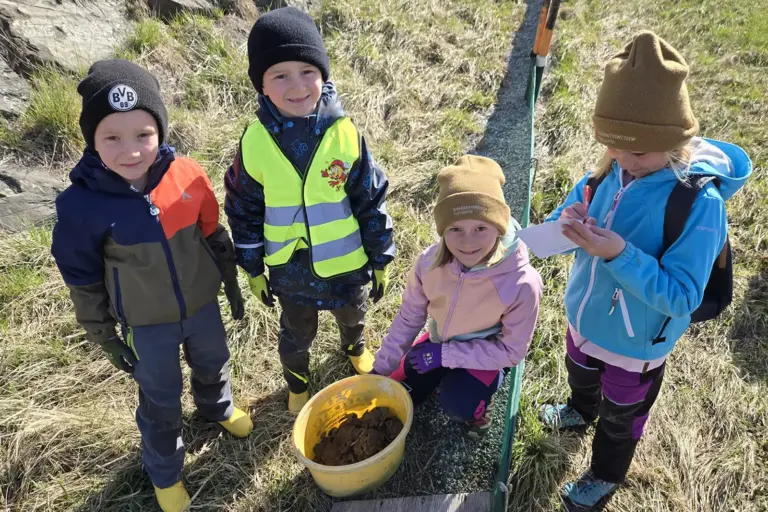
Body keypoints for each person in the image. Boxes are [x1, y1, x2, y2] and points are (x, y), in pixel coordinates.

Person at [540, 31, 752, 511]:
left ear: (675, 142)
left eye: (638, 151)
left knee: (623, 415)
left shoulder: (698, 205)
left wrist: (620, 255)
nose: (626, 161)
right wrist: (563, 224)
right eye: (615, 146)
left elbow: (681, 297)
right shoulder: (604, 173)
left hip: (638, 344)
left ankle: (606, 473)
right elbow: (563, 219)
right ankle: (577, 409)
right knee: (580, 369)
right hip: (584, 317)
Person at [51, 59, 253, 512]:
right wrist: (103, 335)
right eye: (112, 138)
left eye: (143, 134)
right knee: (160, 399)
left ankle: (216, 406)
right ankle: (165, 471)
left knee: (213, 358)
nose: (131, 151)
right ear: (91, 141)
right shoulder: (80, 206)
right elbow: (81, 279)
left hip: (201, 305)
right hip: (146, 325)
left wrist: (231, 285)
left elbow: (213, 235)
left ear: (160, 129)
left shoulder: (187, 173)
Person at [224, 7, 396, 413]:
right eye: (279, 75)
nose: (297, 86)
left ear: (323, 74)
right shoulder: (254, 143)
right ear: (261, 85)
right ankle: (297, 384)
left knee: (353, 313)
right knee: (296, 332)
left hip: (346, 261)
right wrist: (252, 268)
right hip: (290, 267)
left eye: (307, 71)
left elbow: (370, 197)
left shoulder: (345, 133)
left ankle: (355, 349)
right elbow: (242, 208)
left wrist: (382, 254)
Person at [372, 155, 543, 438]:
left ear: (499, 227)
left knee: (457, 404)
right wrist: (381, 369)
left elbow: (512, 351)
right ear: (442, 230)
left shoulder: (521, 283)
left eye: (480, 228)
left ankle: (478, 413)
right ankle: (438, 366)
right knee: (408, 381)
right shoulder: (429, 263)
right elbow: (410, 315)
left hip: (487, 354)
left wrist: (446, 355)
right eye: (455, 229)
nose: (467, 242)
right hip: (441, 341)